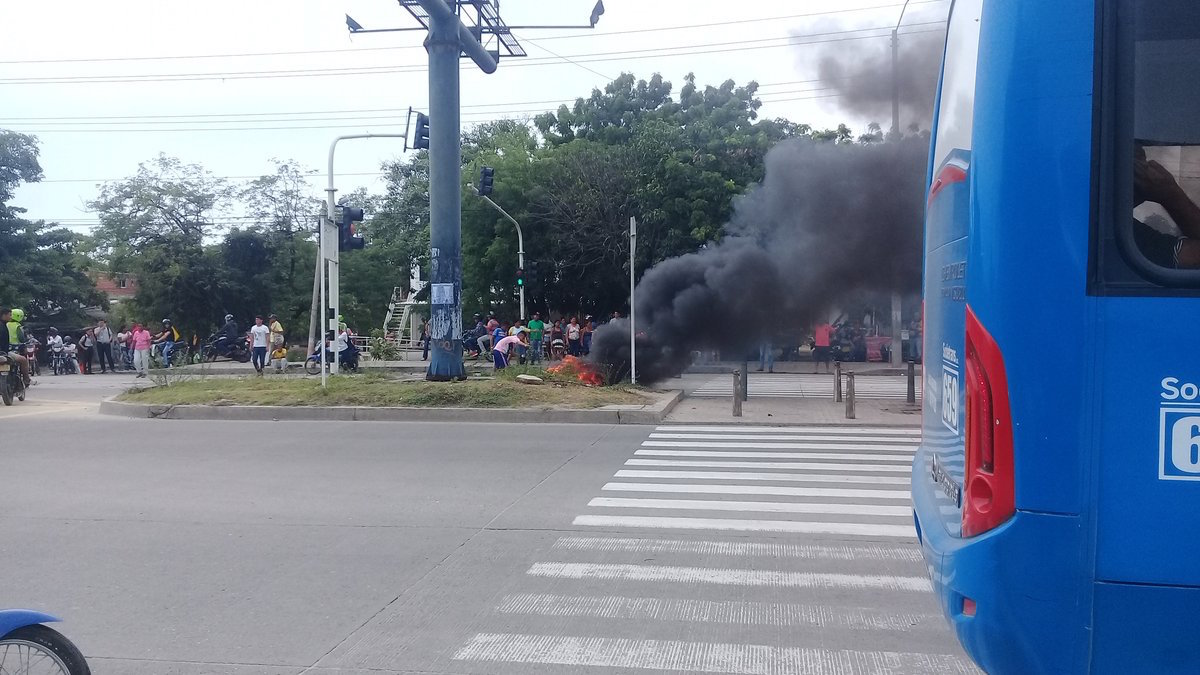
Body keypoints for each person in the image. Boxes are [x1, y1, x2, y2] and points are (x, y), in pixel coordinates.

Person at [1132, 144, 1200, 268]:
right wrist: (1170, 194)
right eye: (1141, 166)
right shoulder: (1124, 236)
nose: (1148, 171)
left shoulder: (1127, 232)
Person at [0, 308, 31, 387]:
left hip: (7, 350)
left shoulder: (6, 325)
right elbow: (21, 338)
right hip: (5, 352)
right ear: (4, 315)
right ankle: (26, 380)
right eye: (9, 315)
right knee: (23, 360)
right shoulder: (16, 326)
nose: (10, 317)